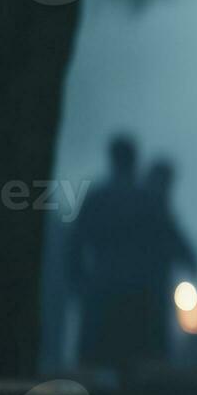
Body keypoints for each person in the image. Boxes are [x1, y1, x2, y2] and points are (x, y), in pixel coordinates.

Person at [67, 134, 154, 371]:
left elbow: (77, 242)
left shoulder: (97, 198)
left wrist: (78, 281)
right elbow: (164, 242)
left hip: (102, 285)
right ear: (134, 160)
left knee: (96, 360)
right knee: (133, 360)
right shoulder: (146, 199)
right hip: (137, 290)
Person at [139, 158, 197, 364]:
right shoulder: (156, 207)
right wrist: (194, 264)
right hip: (150, 291)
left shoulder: (110, 200)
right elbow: (176, 241)